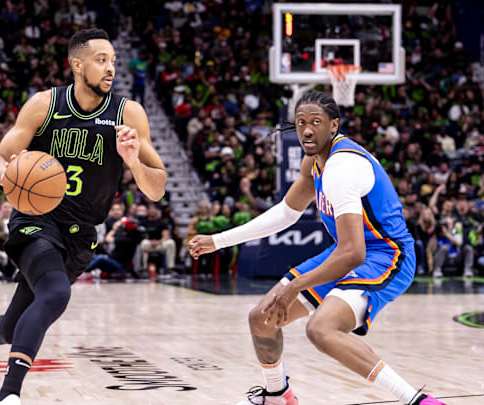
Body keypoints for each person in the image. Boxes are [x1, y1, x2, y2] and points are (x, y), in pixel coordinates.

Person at [0, 28, 166, 405]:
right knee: (55, 294)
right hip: (36, 219)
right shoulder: (44, 105)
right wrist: (10, 174)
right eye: (102, 60)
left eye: (113, 61)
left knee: (11, 327)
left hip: (80, 233)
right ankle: (9, 396)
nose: (111, 68)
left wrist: (133, 163)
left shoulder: (128, 114)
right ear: (76, 64)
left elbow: (158, 187)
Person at [188, 92, 444, 405]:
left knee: (321, 329)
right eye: (301, 123)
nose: (307, 130)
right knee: (261, 318)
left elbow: (354, 253)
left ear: (334, 125)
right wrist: (218, 240)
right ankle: (277, 395)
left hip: (388, 256)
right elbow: (286, 213)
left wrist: (296, 285)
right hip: (350, 251)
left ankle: (418, 401)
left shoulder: (341, 167)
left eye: (316, 122)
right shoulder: (314, 162)